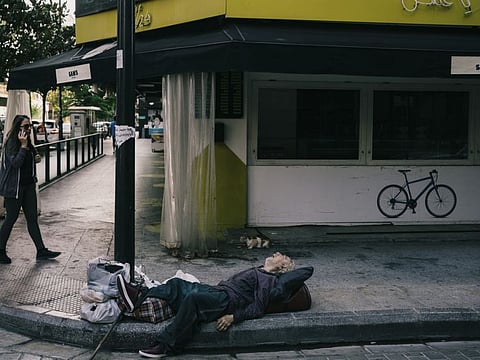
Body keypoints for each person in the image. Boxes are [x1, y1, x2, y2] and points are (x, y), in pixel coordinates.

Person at [117, 252, 298, 358]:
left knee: (192, 300)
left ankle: (166, 346)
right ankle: (138, 297)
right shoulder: (260, 270)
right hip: (219, 291)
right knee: (177, 284)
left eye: (281, 256)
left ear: (282, 268)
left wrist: (232, 317)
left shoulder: (268, 280)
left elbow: (258, 308)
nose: (275, 254)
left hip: (225, 301)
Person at [0, 115, 61, 264]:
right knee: (11, 219)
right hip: (14, 189)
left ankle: (41, 250)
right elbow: (15, 163)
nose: (29, 129)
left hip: (28, 186)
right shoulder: (11, 143)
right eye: (26, 126)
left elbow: (31, 157)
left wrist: (35, 156)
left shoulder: (28, 142)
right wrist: (22, 147)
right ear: (18, 128)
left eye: (29, 126)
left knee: (32, 218)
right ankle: (0, 250)